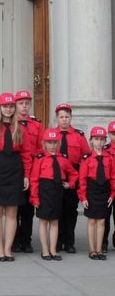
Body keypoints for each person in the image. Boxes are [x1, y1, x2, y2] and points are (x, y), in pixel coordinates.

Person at [0, 93, 32, 262]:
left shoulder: (21, 128)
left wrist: (27, 175)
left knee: (12, 212)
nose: (8, 109)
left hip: (15, 169)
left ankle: (8, 248)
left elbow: (26, 154)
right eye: (5, 106)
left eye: (11, 106)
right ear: (0, 108)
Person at [30, 128, 78, 261]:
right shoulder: (39, 158)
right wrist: (34, 197)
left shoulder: (63, 159)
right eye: (49, 142)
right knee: (44, 221)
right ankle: (45, 250)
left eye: (55, 142)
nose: (52, 145)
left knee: (55, 221)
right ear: (44, 143)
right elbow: (34, 179)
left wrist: (70, 184)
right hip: (44, 191)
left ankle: (53, 249)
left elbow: (74, 173)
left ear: (59, 144)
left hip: (57, 191)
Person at [54, 103, 90, 253]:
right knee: (57, 209)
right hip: (56, 174)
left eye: (67, 117)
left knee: (70, 210)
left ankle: (69, 241)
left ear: (71, 118)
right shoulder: (51, 134)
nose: (64, 120)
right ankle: (57, 241)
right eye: (61, 117)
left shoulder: (78, 135)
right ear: (57, 118)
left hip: (73, 175)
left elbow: (86, 156)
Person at [13, 90, 44, 254]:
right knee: (14, 207)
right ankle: (15, 240)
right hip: (15, 169)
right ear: (16, 105)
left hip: (32, 170)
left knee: (28, 209)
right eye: (21, 103)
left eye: (27, 103)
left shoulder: (36, 124)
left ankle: (26, 240)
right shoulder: (12, 123)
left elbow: (40, 149)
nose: (24, 107)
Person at [78, 126, 115, 261]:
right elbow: (82, 179)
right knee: (92, 221)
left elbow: (113, 177)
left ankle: (99, 249)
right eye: (96, 139)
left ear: (104, 141)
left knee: (102, 221)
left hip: (104, 191)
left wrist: (112, 194)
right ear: (91, 141)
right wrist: (83, 197)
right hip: (92, 190)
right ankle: (92, 249)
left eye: (101, 139)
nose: (98, 142)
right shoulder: (87, 158)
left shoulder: (109, 157)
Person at [102, 120, 115, 252]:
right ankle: (103, 243)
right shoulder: (104, 149)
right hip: (107, 187)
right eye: (113, 133)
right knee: (105, 216)